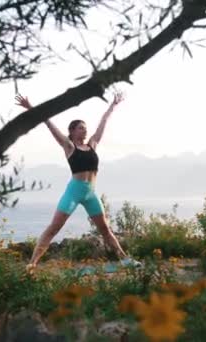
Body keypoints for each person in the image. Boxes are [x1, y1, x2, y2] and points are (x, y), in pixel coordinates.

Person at [15, 92, 141, 273]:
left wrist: (112, 106)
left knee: (105, 229)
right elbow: (49, 124)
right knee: (54, 228)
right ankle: (32, 264)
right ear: (72, 131)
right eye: (81, 128)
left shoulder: (92, 145)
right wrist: (31, 108)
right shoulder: (69, 146)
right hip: (74, 192)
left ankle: (124, 259)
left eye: (85, 128)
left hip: (90, 193)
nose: (85, 130)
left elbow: (102, 124)